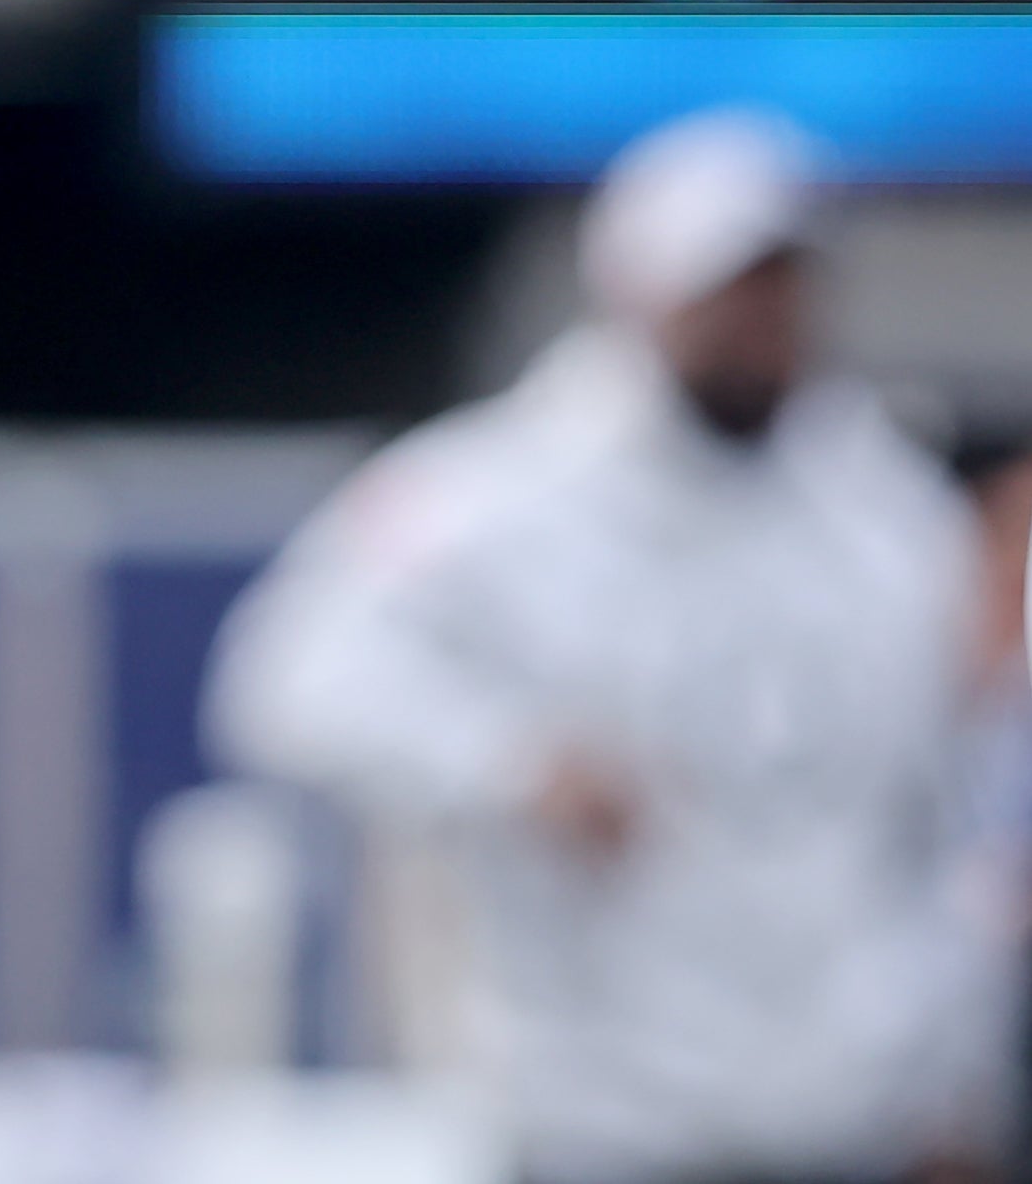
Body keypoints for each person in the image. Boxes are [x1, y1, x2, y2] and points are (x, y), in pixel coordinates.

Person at [208, 106, 1006, 1184]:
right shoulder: (494, 492)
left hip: (848, 1118)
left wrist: (957, 1081)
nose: (764, 317)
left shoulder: (888, 516)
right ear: (639, 290)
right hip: (608, 1117)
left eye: (785, 282)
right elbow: (285, 674)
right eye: (731, 286)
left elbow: (942, 825)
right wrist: (511, 762)